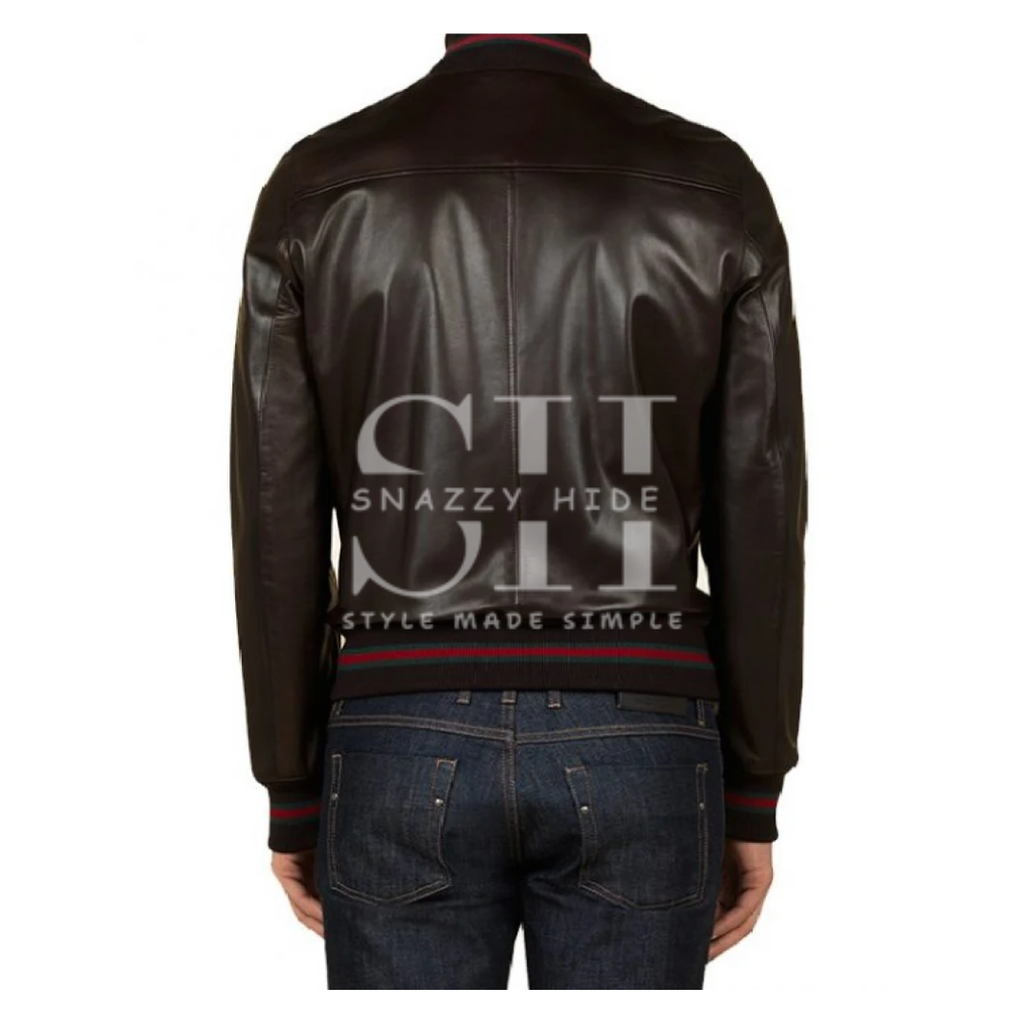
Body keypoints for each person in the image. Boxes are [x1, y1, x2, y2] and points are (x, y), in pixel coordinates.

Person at [230, 32, 807, 990]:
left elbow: (273, 512)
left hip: (396, 727)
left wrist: (289, 779)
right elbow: (764, 500)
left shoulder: (320, 184)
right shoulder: (710, 183)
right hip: (644, 724)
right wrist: (755, 781)